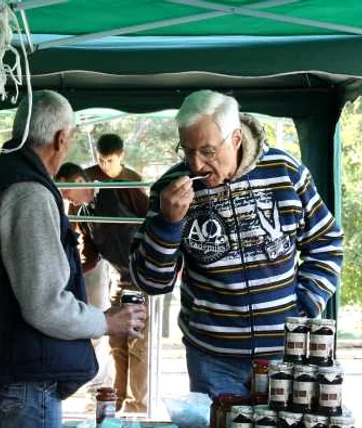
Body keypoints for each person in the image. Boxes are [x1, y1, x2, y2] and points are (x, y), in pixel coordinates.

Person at [0, 90, 147, 428]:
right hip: (24, 376)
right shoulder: (28, 193)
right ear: (61, 138)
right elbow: (45, 305)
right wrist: (104, 321)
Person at [129, 90, 344, 397]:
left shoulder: (284, 172)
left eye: (207, 151)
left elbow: (327, 243)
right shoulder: (169, 190)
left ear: (236, 139)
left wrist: (306, 305)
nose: (196, 165)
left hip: (286, 354)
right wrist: (168, 223)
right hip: (212, 358)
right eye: (187, 151)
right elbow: (151, 282)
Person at [56, 162, 150, 412]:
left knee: (139, 345)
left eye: (66, 191)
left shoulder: (119, 191)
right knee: (117, 343)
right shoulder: (84, 212)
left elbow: (152, 217)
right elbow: (92, 254)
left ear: (77, 181)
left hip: (143, 279)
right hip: (120, 279)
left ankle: (137, 406)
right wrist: (69, 273)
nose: (65, 197)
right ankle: (117, 400)